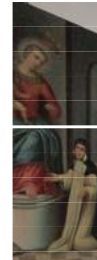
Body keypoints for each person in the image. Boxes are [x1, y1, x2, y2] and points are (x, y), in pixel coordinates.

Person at [47, 139, 97, 251]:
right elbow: (70, 178)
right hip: (77, 206)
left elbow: (94, 188)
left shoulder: (91, 168)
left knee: (78, 243)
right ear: (73, 150)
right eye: (77, 148)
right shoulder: (75, 165)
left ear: (86, 152)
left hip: (87, 210)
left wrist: (86, 191)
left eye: (82, 149)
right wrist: (57, 177)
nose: (79, 151)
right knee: (72, 240)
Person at [13, 36, 63, 177]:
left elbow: (55, 107)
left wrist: (52, 108)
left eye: (41, 62)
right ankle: (19, 179)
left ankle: (35, 180)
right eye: (36, 57)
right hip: (12, 120)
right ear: (27, 53)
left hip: (33, 121)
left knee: (50, 137)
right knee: (34, 137)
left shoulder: (39, 81)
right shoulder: (11, 74)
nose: (37, 63)